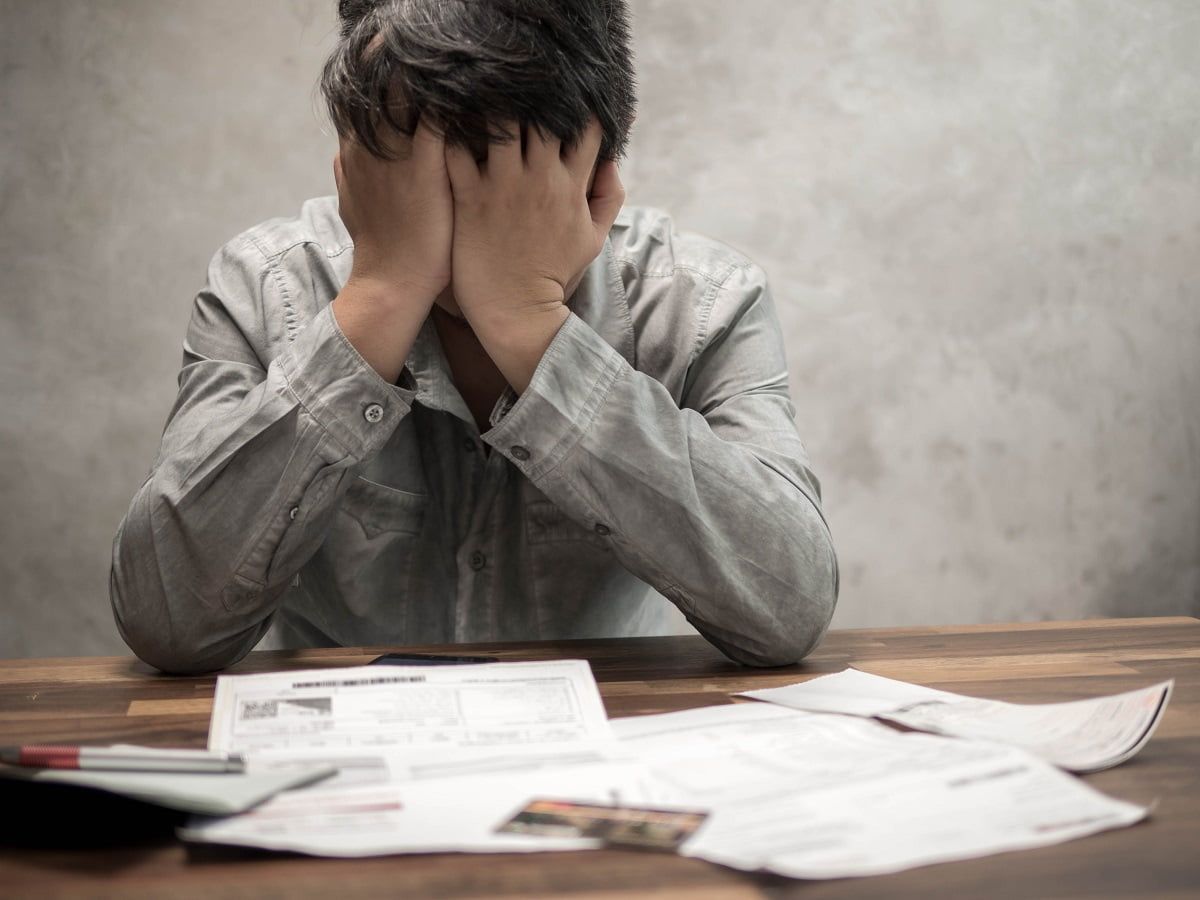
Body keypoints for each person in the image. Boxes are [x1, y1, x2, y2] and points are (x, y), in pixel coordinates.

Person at [110, 0, 839, 674]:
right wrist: (383, 291)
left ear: (596, 172)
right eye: (422, 178)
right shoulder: (267, 284)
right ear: (358, 161)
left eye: (494, 173)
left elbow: (789, 610)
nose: (458, 219)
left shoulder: (699, 301)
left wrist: (529, 320)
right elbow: (167, 623)